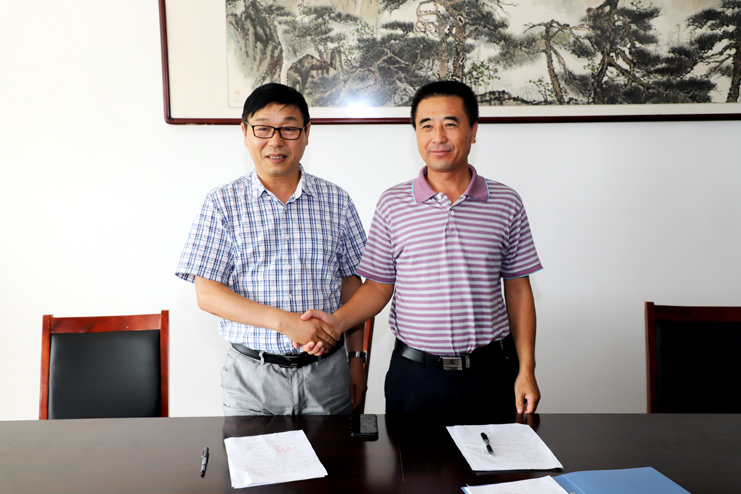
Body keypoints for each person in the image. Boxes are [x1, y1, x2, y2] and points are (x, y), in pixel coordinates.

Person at [302, 80, 543, 415]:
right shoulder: (393, 203)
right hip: (415, 378)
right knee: (408, 454)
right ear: (415, 133)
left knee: (498, 453)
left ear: (473, 131)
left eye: (450, 124)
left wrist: (526, 368)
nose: (438, 137)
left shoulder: (505, 202)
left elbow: (517, 289)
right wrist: (334, 324)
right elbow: (378, 287)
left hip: (491, 374)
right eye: (426, 125)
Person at [176, 83, 367, 415]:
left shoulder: (337, 201)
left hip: (328, 375)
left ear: (307, 133)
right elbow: (207, 295)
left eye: (289, 129)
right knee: (252, 452)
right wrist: (286, 323)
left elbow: (352, 287)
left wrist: (356, 359)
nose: (276, 141)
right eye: (263, 128)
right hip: (252, 380)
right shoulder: (221, 204)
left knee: (332, 452)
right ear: (245, 132)